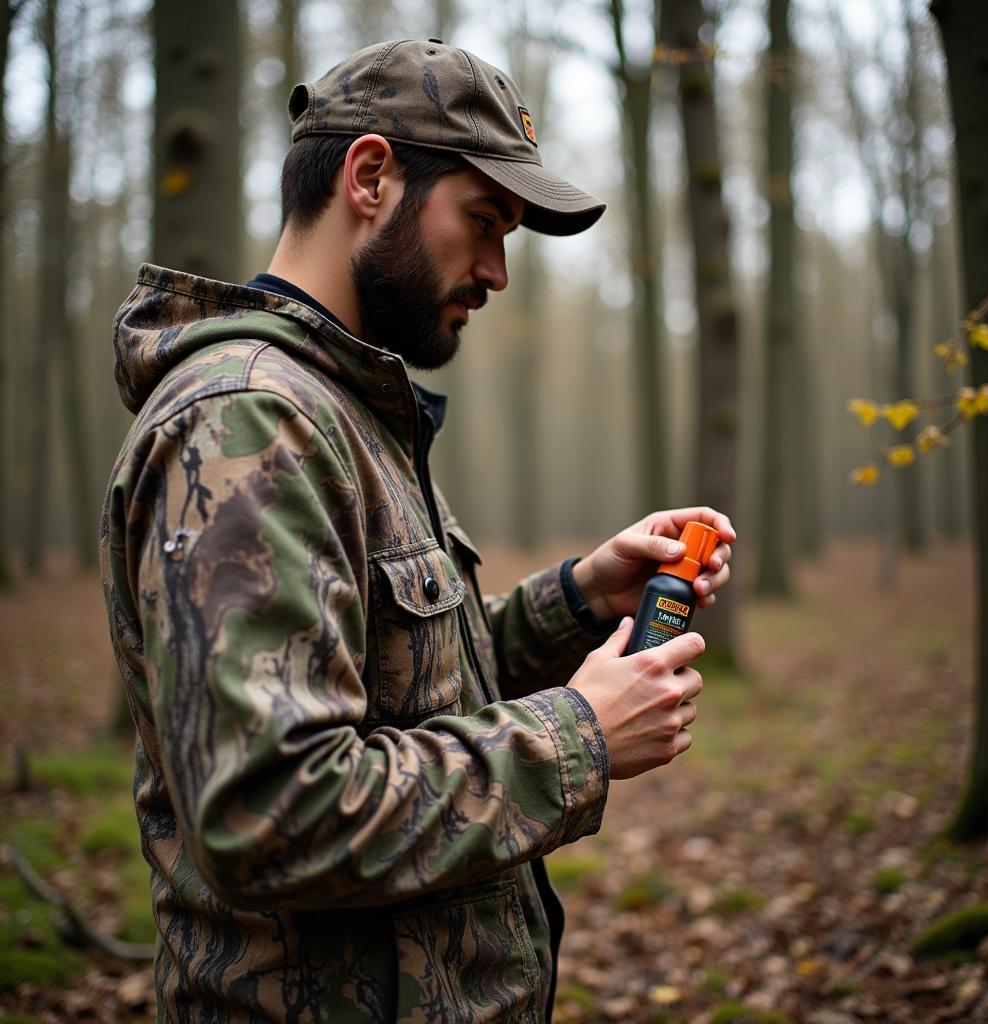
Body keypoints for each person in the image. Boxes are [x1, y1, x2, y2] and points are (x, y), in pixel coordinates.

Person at [100, 38, 735, 1024]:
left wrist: (576, 597)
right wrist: (575, 737)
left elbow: (394, 683)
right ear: (369, 176)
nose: (496, 271)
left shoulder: (342, 412)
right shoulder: (244, 422)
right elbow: (269, 810)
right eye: (483, 221)